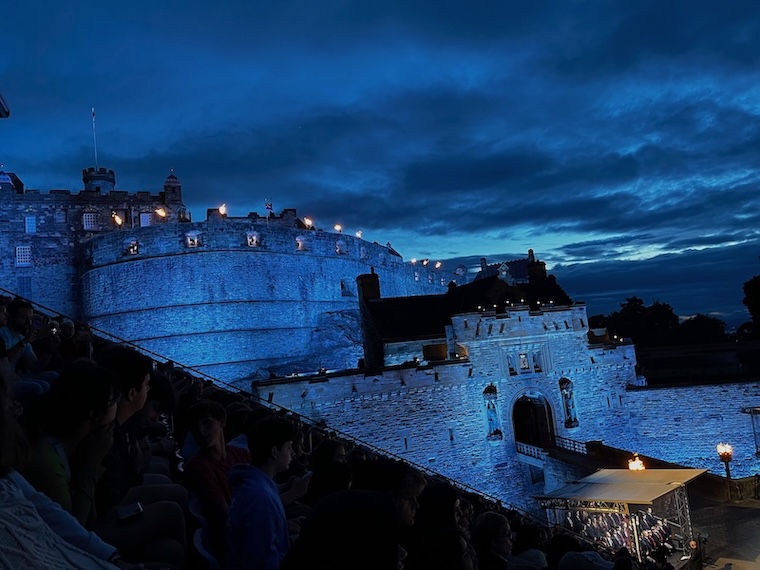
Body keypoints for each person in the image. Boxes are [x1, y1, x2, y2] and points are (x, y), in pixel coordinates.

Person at [21, 363, 119, 527]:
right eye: (114, 400)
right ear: (94, 414)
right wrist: (90, 468)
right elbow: (73, 528)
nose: (117, 404)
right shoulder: (47, 462)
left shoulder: (71, 444)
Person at [226, 415, 298, 570]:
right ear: (274, 452)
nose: (293, 454)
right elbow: (262, 562)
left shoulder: (254, 484)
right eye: (289, 448)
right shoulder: (260, 499)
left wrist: (284, 528)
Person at [183, 399, 250, 558]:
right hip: (237, 542)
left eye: (206, 422)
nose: (200, 430)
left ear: (222, 422)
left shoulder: (241, 454)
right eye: (195, 426)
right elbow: (224, 515)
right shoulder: (197, 467)